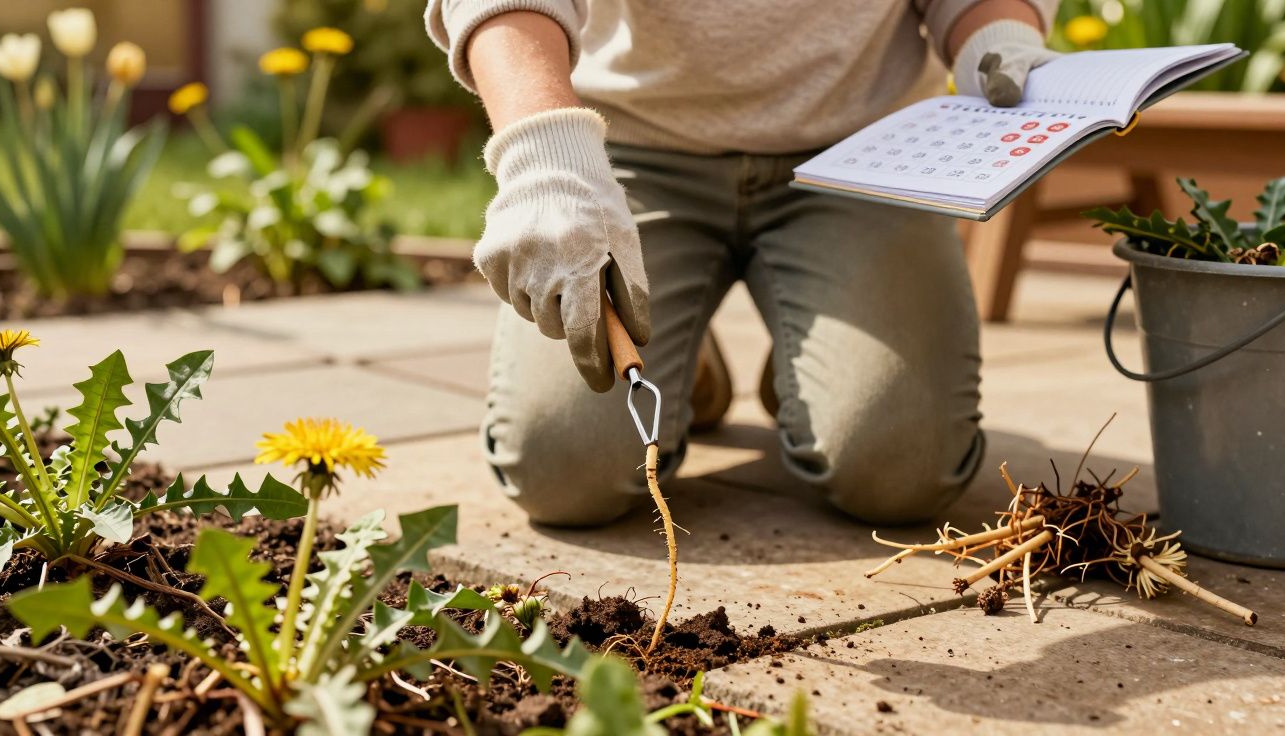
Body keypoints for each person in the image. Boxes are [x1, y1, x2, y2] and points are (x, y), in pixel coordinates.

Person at [425, 0, 1059, 526]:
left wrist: (997, 37)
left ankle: (808, 349)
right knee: (561, 470)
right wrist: (546, 162)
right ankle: (683, 350)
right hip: (630, 151)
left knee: (903, 471)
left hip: (862, 149)